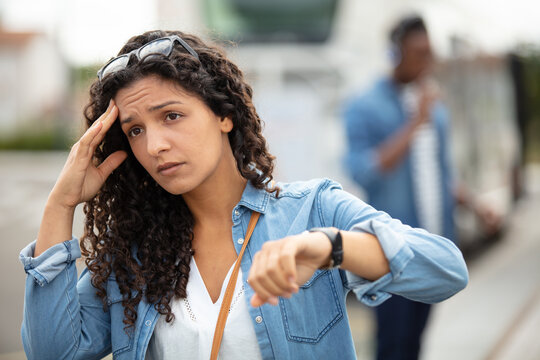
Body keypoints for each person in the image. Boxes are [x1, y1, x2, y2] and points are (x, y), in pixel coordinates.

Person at [20, 30, 468, 360]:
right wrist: (61, 205)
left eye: (171, 116)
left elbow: (445, 270)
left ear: (224, 116)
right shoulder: (136, 257)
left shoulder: (309, 210)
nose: (153, 145)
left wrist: (329, 247)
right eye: (135, 130)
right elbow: (53, 353)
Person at [342, 15, 498, 360]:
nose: (427, 61)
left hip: (432, 247)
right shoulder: (365, 106)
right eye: (418, 53)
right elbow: (362, 171)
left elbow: (440, 174)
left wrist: (474, 205)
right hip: (388, 251)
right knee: (392, 346)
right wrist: (415, 125)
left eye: (430, 52)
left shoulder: (434, 108)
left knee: (413, 345)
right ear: (395, 54)